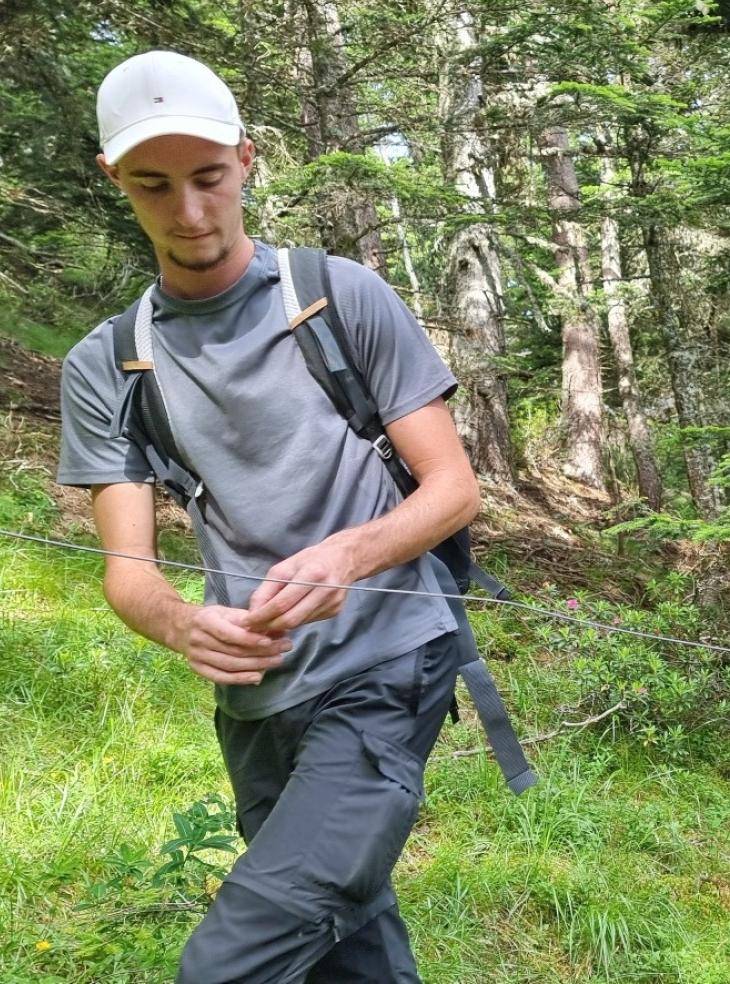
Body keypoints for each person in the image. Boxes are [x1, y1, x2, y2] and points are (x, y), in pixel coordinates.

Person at [57, 49, 489, 982]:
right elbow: (128, 572)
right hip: (257, 699)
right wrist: (180, 623)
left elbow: (454, 488)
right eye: (153, 185)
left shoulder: (338, 296)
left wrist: (350, 554)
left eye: (210, 178)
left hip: (388, 665)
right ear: (113, 180)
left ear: (247, 161)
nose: (190, 212)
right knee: (350, 946)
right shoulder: (107, 364)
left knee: (234, 961)